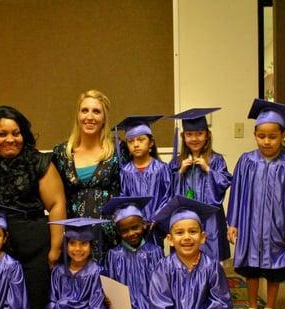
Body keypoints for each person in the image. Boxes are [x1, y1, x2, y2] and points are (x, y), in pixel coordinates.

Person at [0, 105, 66, 309]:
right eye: (2, 134)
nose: (10, 139)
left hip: (33, 246)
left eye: (16, 133)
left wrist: (55, 248)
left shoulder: (38, 162)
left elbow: (56, 204)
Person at [228, 98, 285, 309]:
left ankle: (270, 307)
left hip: (276, 227)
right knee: (251, 268)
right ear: (255, 134)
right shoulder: (246, 161)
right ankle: (252, 305)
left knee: (274, 268)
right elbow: (237, 194)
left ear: (283, 135)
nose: (266, 141)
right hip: (250, 225)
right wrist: (232, 223)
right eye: (261, 136)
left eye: (272, 136)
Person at [149, 196, 232, 309]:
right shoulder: (164, 267)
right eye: (180, 233)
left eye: (192, 232)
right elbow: (159, 303)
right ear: (170, 239)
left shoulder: (212, 267)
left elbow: (221, 302)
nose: (187, 237)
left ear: (203, 237)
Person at [52, 89, 128, 261]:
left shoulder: (118, 151)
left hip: (109, 238)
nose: (90, 117)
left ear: (104, 118)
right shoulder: (61, 153)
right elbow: (55, 198)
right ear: (78, 115)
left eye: (96, 111)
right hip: (74, 240)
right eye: (84, 110)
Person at [32, 218, 110, 309]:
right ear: (65, 246)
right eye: (72, 243)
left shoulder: (96, 271)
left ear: (91, 246)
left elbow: (97, 304)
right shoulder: (59, 270)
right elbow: (53, 297)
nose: (78, 249)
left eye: (84, 244)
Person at [167, 108, 232, 261]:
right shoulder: (177, 162)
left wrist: (208, 170)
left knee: (211, 261)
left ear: (207, 135)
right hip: (184, 219)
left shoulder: (216, 160)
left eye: (199, 133)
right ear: (183, 136)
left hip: (211, 221)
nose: (194, 138)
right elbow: (167, 190)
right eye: (189, 134)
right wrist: (180, 172)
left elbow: (224, 183)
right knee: (185, 260)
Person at [101, 196, 164, 309]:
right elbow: (110, 286)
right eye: (124, 230)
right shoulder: (114, 255)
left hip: (152, 305)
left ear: (143, 225)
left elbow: (164, 285)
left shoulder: (155, 252)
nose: (131, 233)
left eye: (135, 227)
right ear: (118, 232)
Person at [115, 115, 172, 246]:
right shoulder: (125, 171)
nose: (136, 144)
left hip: (156, 227)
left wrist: (154, 219)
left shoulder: (162, 169)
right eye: (130, 141)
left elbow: (167, 198)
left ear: (151, 143)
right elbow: (124, 198)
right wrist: (135, 220)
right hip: (132, 229)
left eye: (141, 140)